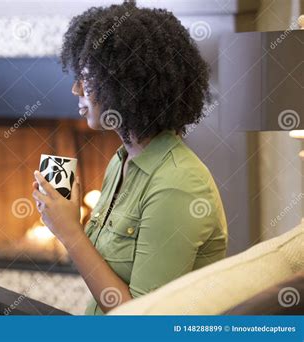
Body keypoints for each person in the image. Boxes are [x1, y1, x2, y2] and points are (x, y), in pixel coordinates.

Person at [32, 0, 228, 315]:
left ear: (127, 85)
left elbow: (142, 320)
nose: (75, 90)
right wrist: (67, 220)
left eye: (87, 77)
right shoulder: (122, 160)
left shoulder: (177, 186)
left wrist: (70, 233)